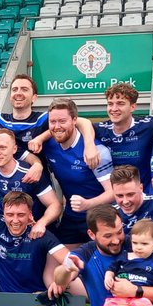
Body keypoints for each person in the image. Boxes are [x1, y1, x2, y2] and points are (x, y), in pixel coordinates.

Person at [38, 98, 114, 246]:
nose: (57, 126)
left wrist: (87, 204)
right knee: (60, 265)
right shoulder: (49, 145)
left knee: (98, 266)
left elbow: (113, 193)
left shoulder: (96, 152)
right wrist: (39, 140)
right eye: (53, 121)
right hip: (71, 218)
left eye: (62, 121)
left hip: (99, 217)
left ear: (74, 120)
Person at [0, 190, 68, 294]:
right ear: (3, 214)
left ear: (30, 215)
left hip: (34, 296)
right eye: (10, 214)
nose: (15, 220)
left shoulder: (40, 233)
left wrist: (60, 282)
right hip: (4, 297)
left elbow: (71, 260)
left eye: (21, 215)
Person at [109, 166, 153, 236]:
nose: (125, 201)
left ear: (141, 188)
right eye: (120, 196)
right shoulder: (111, 214)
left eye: (130, 194)